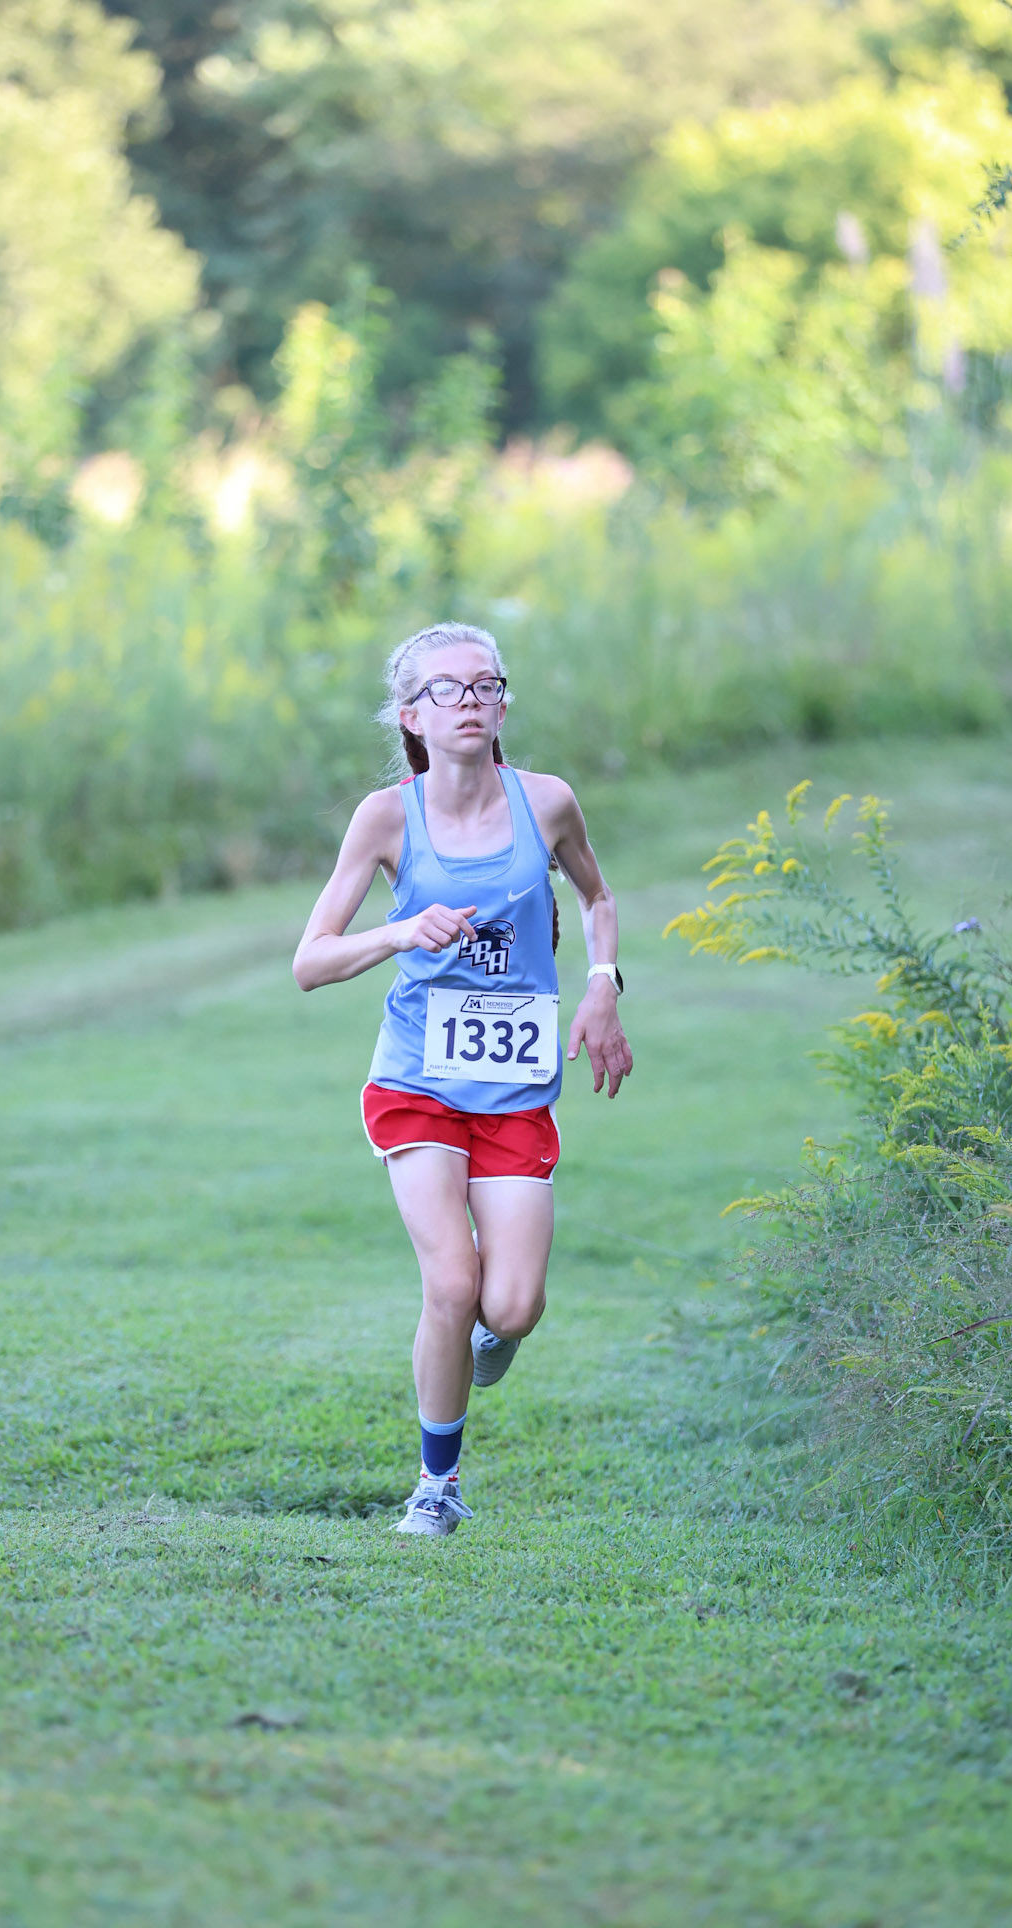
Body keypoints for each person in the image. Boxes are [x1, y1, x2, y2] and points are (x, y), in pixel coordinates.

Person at [292, 622, 632, 1535]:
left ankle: (487, 1335)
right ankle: (434, 1486)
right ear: (412, 715)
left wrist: (601, 988)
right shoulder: (386, 817)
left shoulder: (548, 802)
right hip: (418, 1078)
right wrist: (401, 931)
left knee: (511, 1304)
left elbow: (597, 898)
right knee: (450, 1283)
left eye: (486, 684)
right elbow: (310, 960)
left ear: (503, 702)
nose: (471, 699)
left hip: (516, 1087)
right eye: (447, 688)